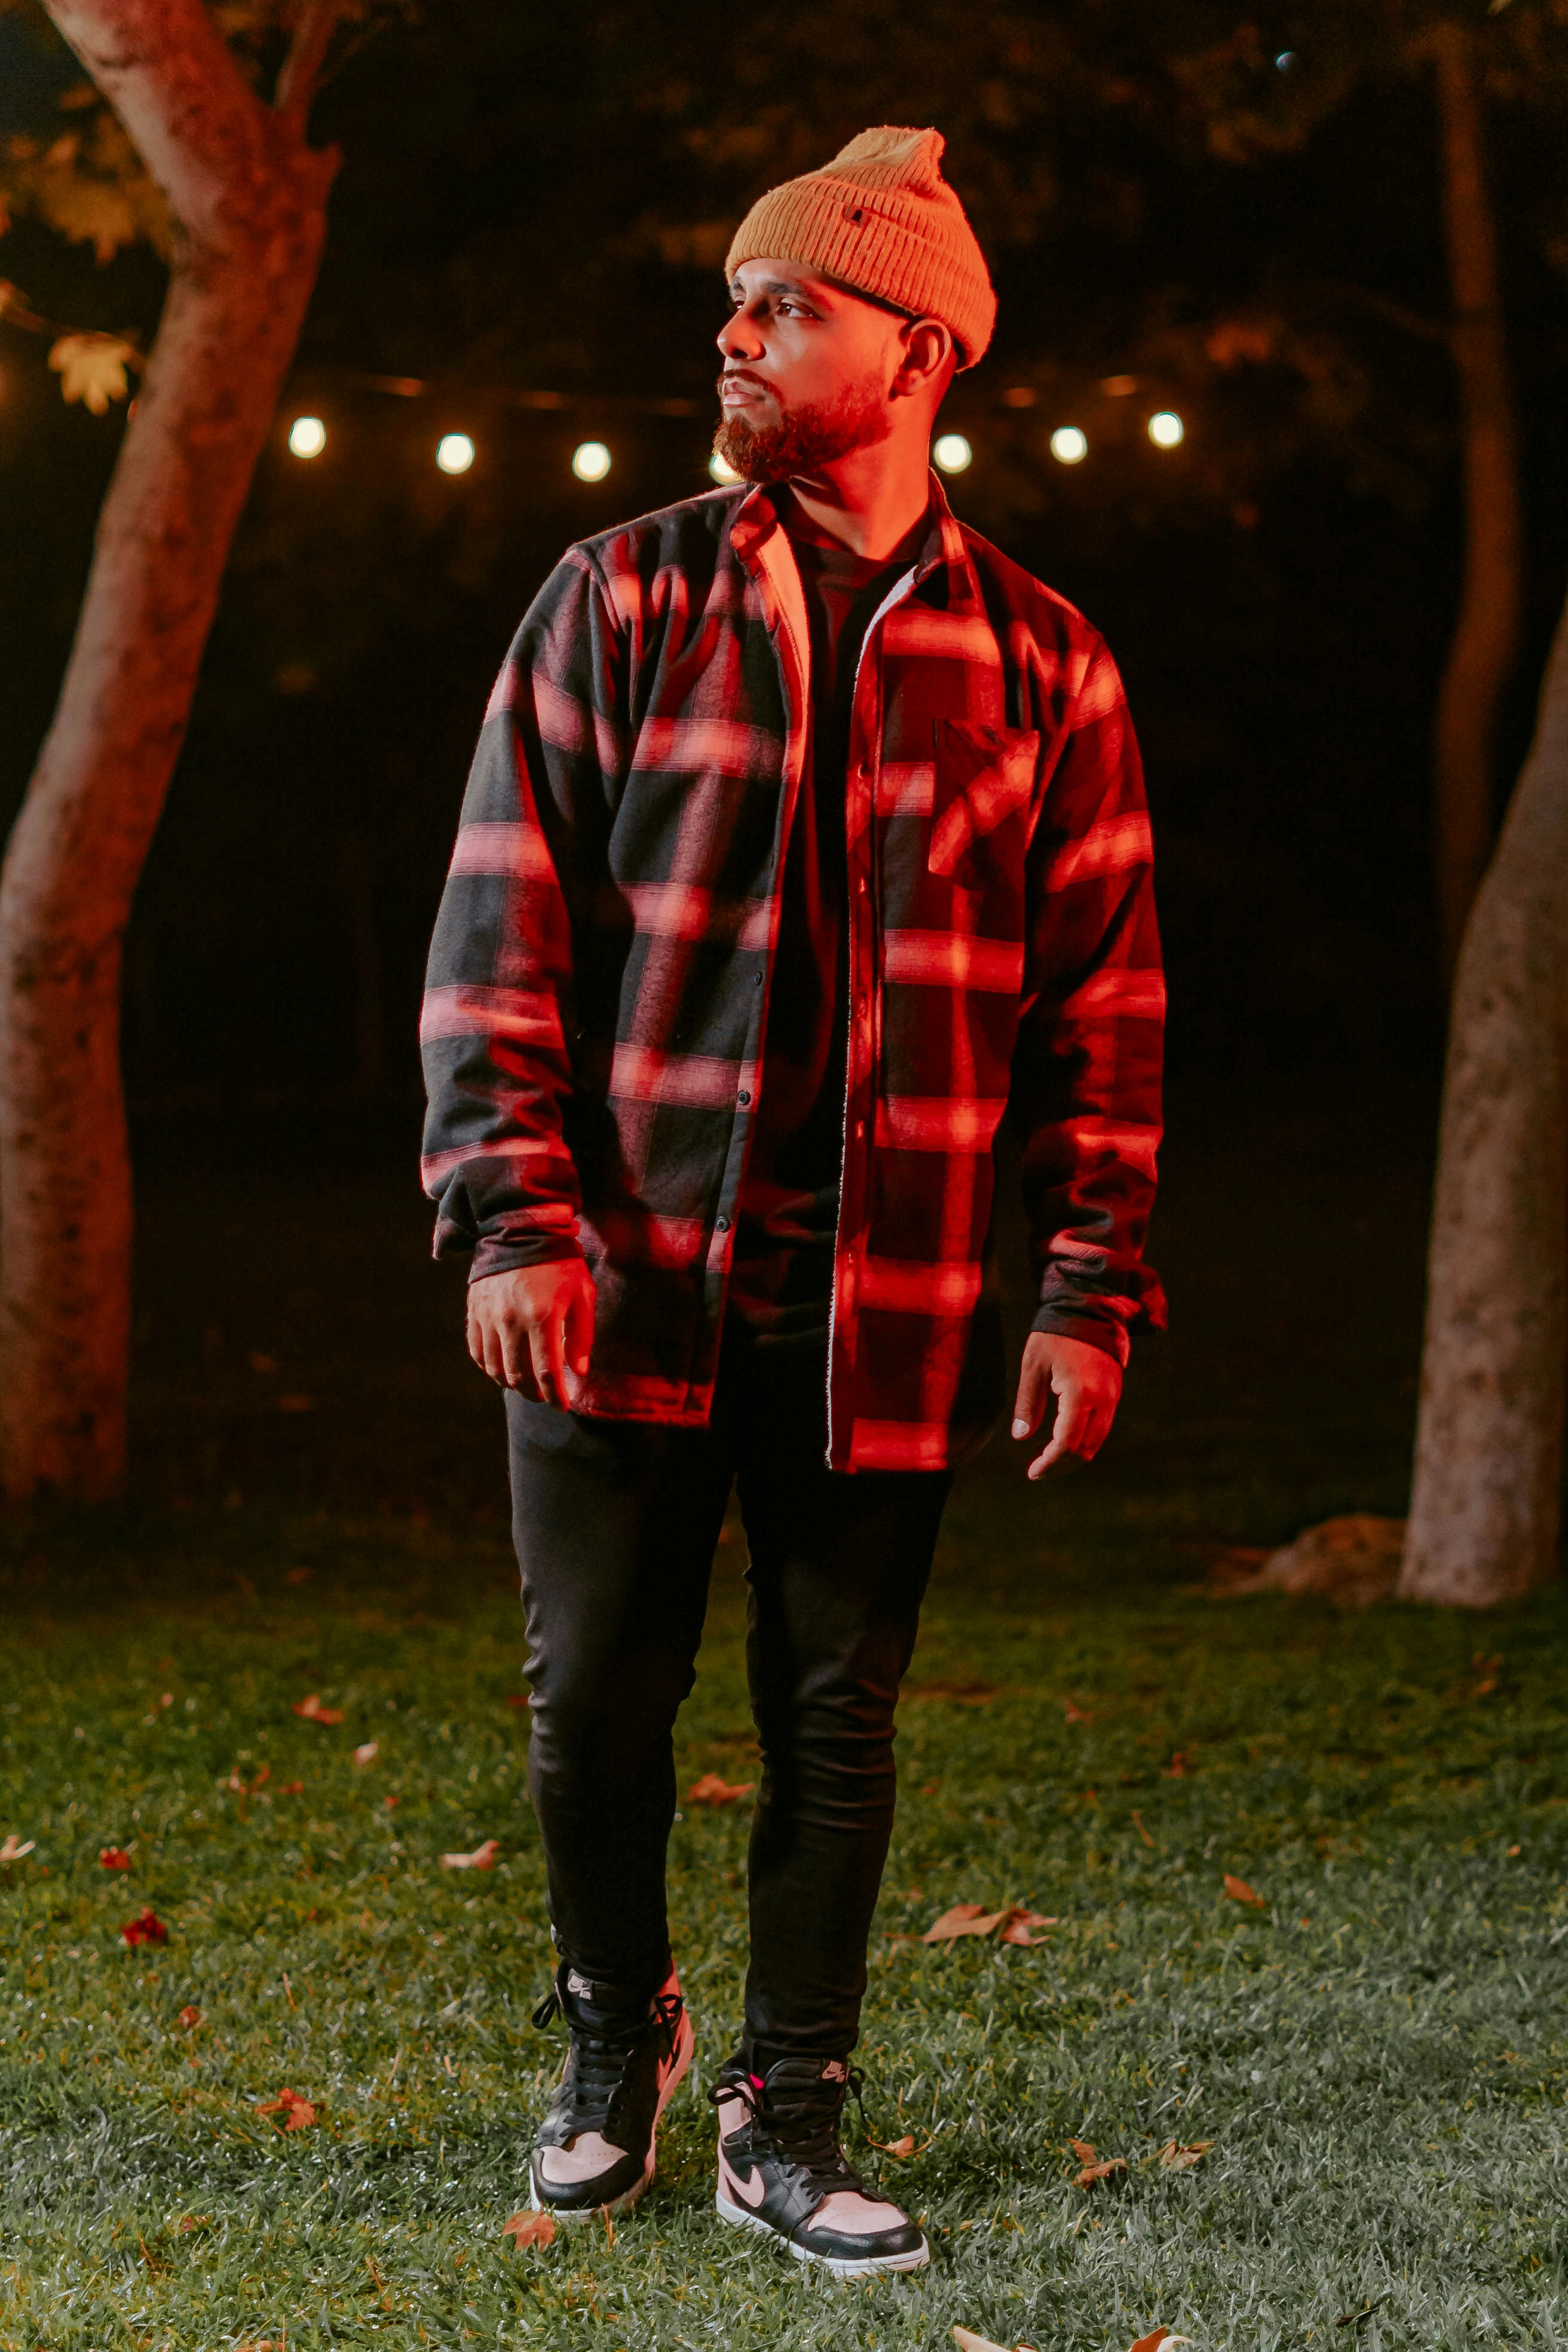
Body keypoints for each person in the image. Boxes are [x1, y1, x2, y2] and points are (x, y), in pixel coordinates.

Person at [420, 123, 1165, 2278]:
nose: (735, 336)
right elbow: (500, 935)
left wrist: (1091, 1285)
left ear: (916, 345)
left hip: (893, 1289)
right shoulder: (620, 593)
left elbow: (1104, 1000)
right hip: (621, 1273)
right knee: (594, 1699)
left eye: (787, 306)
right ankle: (609, 2038)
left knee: (838, 1711)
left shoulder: (1045, 661)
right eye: (740, 303)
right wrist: (513, 1222)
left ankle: (790, 2107)